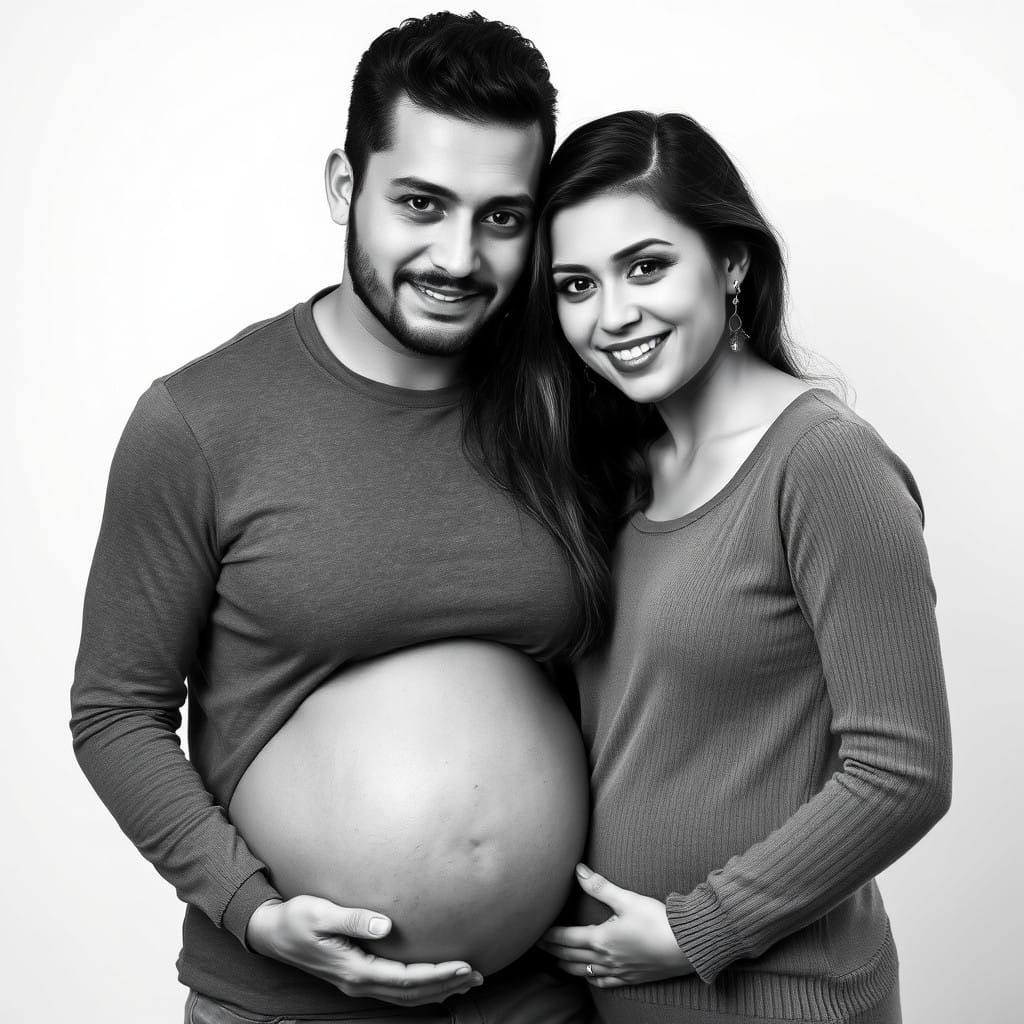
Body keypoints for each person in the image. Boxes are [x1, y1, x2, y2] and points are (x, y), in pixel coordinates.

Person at [70, 13, 603, 1023]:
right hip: (280, 1006)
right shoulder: (201, 421)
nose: (458, 254)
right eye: (420, 203)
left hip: (537, 1004)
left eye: (502, 217)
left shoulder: (568, 407)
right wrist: (251, 910)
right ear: (343, 187)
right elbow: (115, 711)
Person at [516, 111, 954, 1023]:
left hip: (784, 1000)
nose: (613, 314)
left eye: (647, 266)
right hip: (624, 1000)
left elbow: (904, 771)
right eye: (575, 284)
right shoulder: (614, 477)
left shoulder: (823, 463)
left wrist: (695, 930)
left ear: (733, 264)